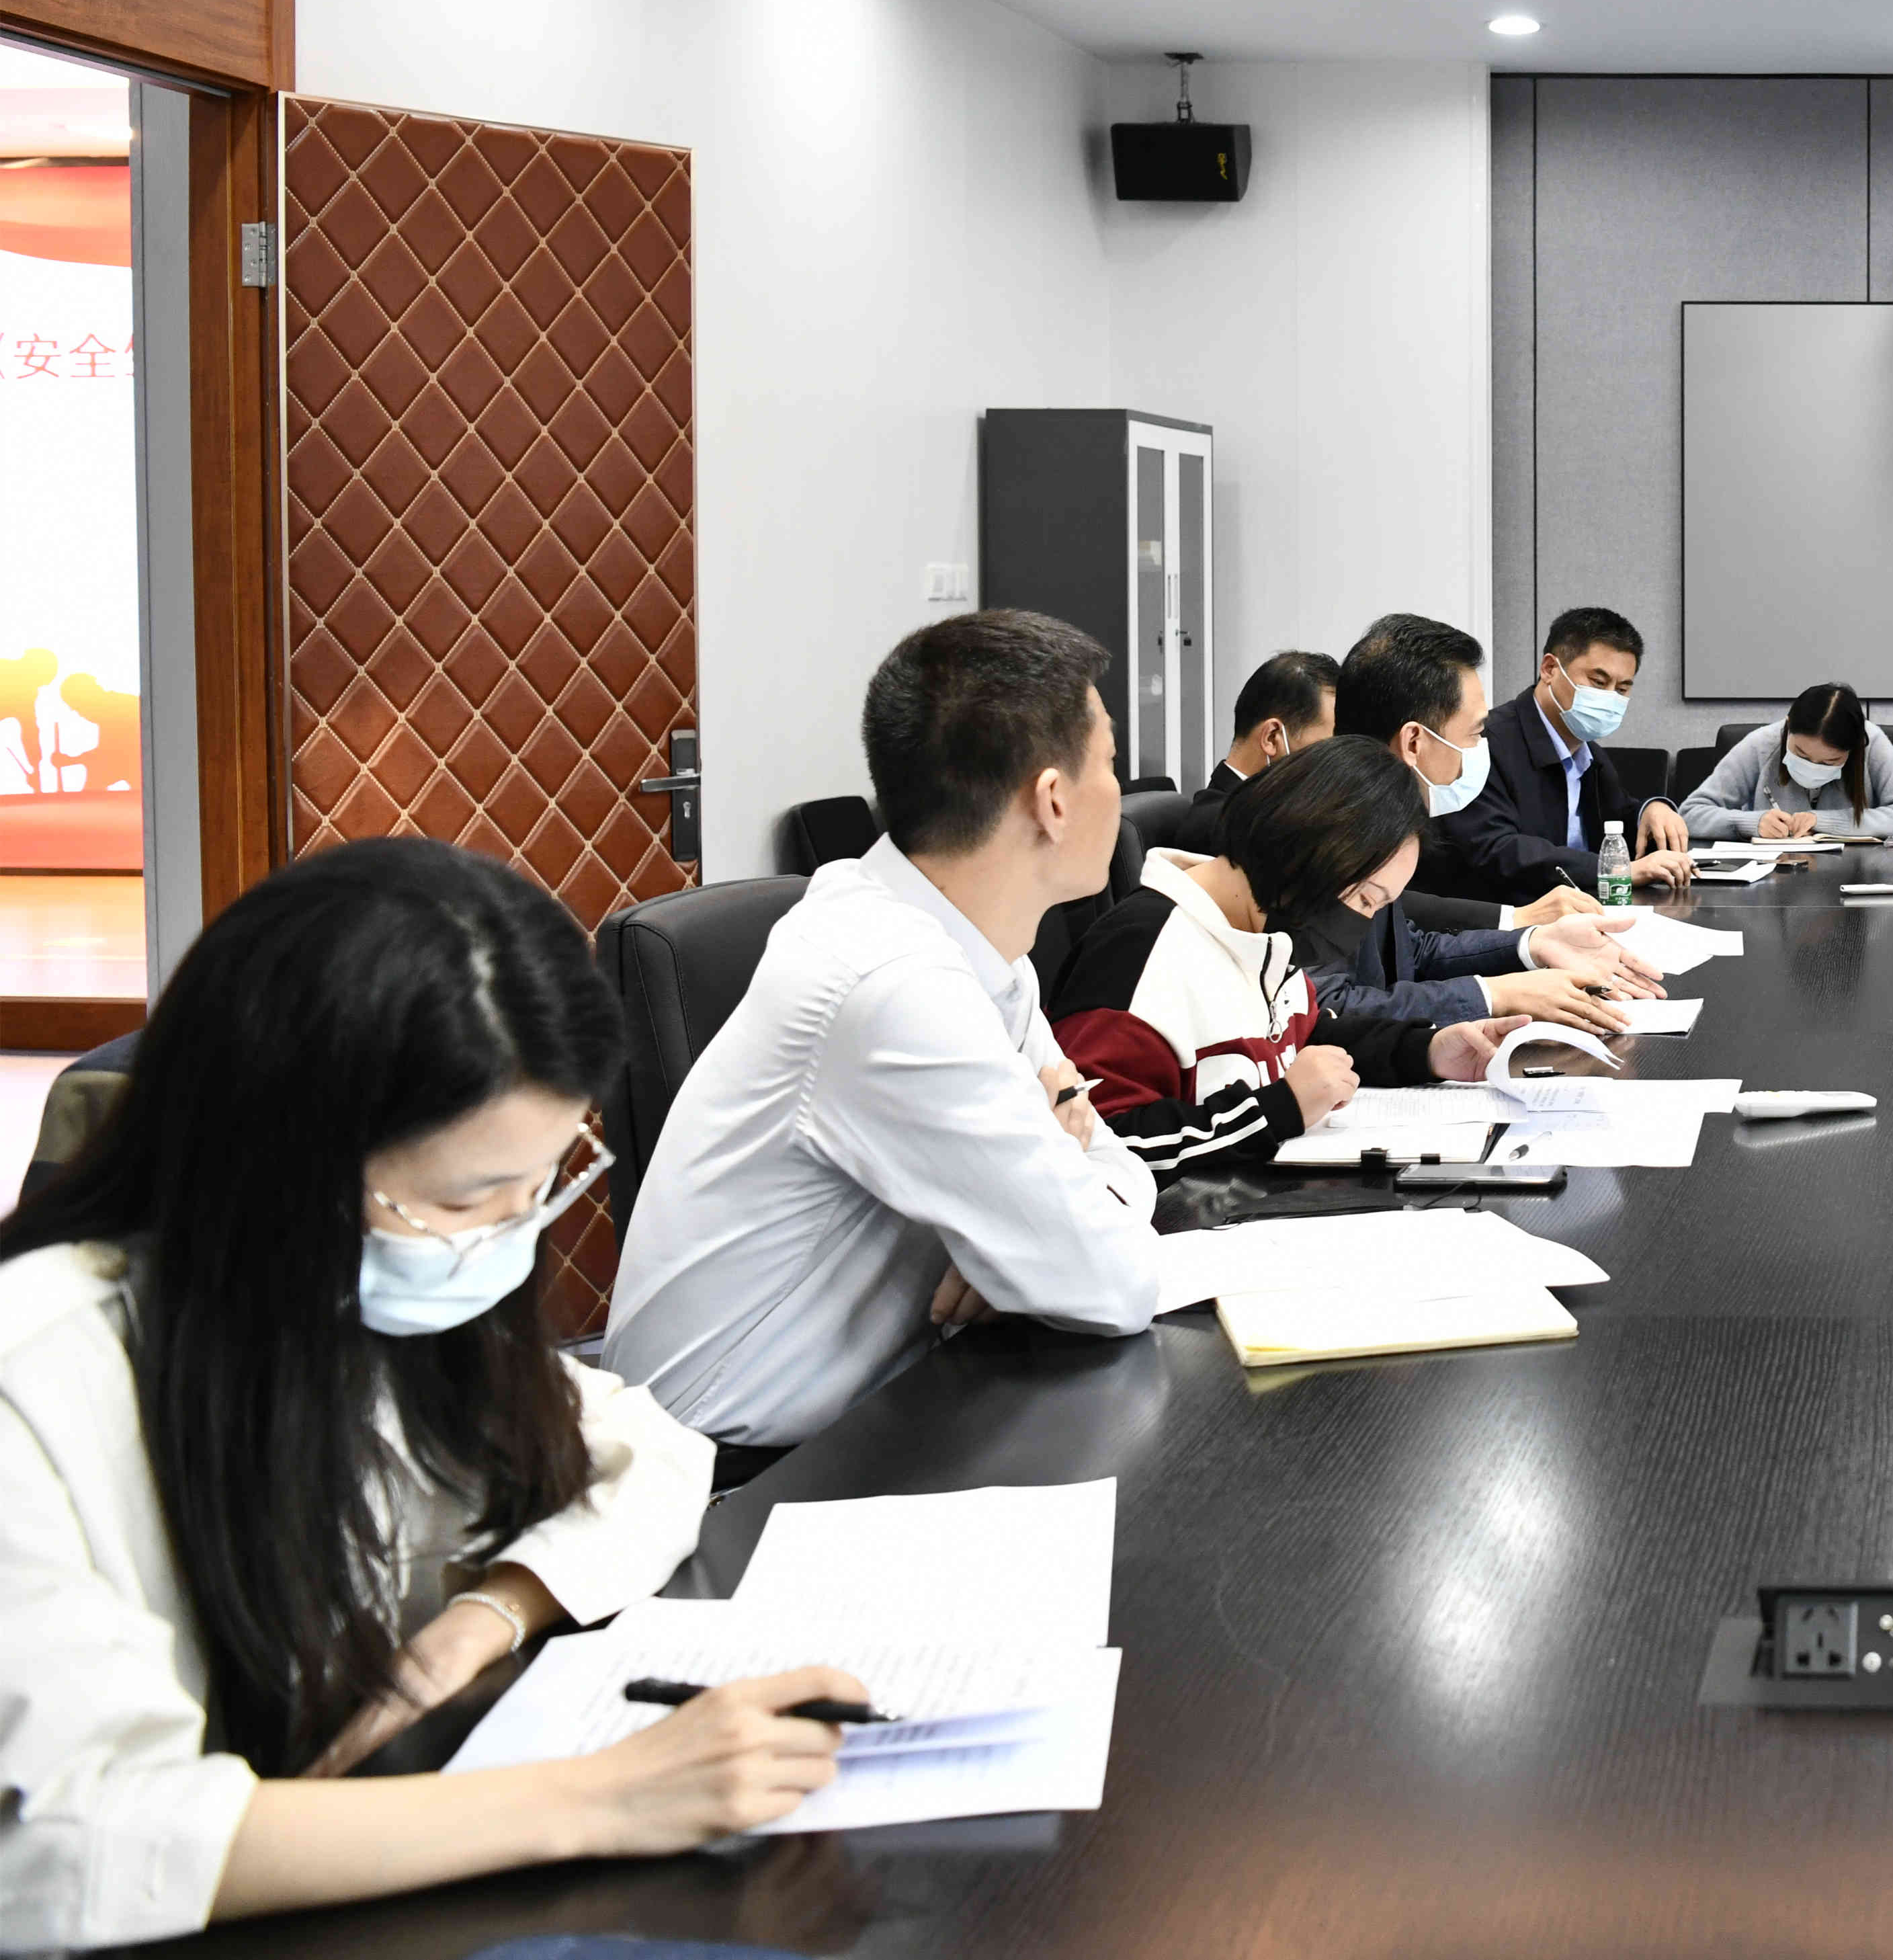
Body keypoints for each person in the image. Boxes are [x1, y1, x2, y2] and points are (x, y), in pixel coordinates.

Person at [0, 840, 866, 1945]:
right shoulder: (39, 1377)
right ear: (275, 1162)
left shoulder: (367, 1300)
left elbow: (643, 1450)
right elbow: (80, 1837)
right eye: (465, 1201)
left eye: (537, 1188)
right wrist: (607, 1797)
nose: (502, 1243)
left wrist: (481, 1618)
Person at [606, 610, 1167, 1448]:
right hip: (729, 1472)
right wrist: (1038, 1232)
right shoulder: (894, 982)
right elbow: (1115, 1281)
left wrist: (1035, 1237)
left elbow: (1118, 1181)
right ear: (1052, 799)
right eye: (1111, 763)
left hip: (889, 1398)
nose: (1118, 793)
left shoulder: (982, 950)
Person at [1046, 739, 1423, 1178]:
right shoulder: (1137, 955)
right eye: (1366, 900)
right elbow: (1099, 1143)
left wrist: (1426, 1051)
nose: (1363, 923)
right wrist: (1278, 1110)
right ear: (1310, 854)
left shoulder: (1268, 932)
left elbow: (1301, 1037)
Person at [1316, 614, 1668, 1055]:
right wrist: (1496, 994)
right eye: (1476, 733)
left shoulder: (1375, 820)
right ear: (1414, 743)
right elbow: (1322, 1008)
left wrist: (1533, 944)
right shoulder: (1320, 832)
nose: (1482, 749)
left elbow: (1410, 953)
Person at [1439, 605, 1693, 900]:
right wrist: (1613, 871)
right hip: (1515, 916)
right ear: (1549, 669)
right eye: (1598, 683)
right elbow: (1496, 849)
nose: (1609, 698)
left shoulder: (1588, 751)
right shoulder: (1484, 743)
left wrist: (1651, 809)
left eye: (1622, 689)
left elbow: (1617, 815)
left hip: (1586, 908)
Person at [1684, 682, 1893, 844]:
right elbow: (1691, 814)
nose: (1813, 767)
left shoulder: (1871, 743)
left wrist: (1823, 822)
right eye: (1801, 755)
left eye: (1831, 761)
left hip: (1856, 877)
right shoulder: (1762, 743)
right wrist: (1752, 823)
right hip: (1771, 883)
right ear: (1788, 726)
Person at [1148, 647, 1343, 856]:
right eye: (1327, 749)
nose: (1337, 764)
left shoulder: (1268, 813)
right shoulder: (1229, 829)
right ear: (1272, 738)